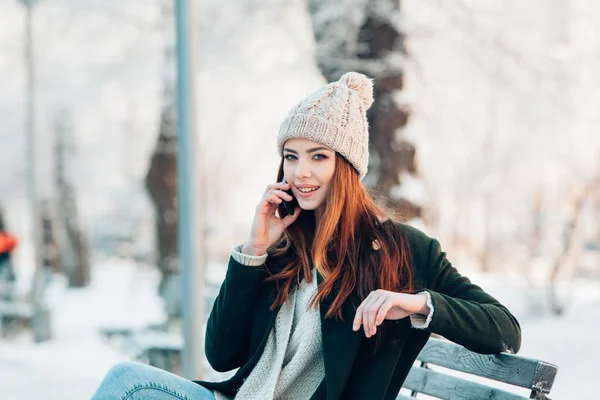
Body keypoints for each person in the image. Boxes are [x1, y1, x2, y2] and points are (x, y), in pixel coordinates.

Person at [92, 72, 521, 400]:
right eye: (291, 156)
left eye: (319, 157)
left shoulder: (402, 250)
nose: (301, 173)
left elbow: (504, 329)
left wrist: (413, 302)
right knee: (127, 383)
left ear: (347, 166)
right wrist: (254, 251)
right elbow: (221, 356)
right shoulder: (283, 245)